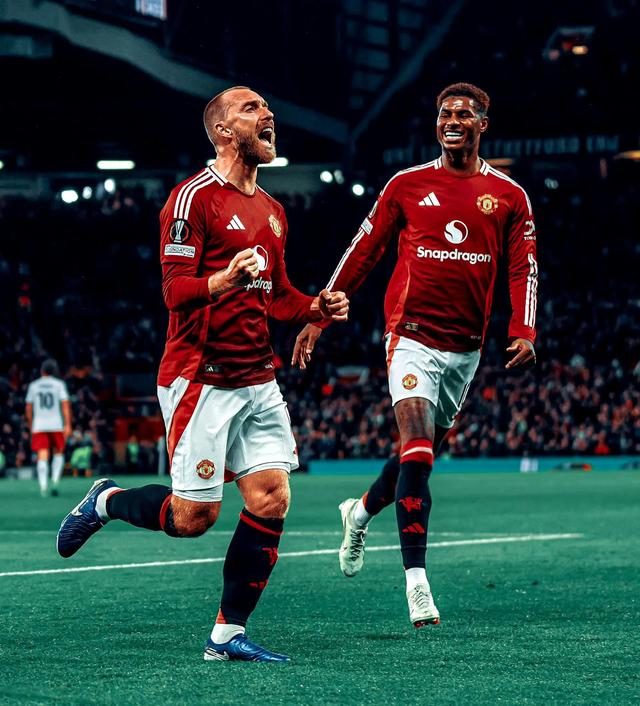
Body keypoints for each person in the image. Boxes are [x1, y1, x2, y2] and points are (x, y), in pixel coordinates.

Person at [57, 86, 349, 662]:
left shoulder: (274, 212)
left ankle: (226, 634)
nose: (268, 114)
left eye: (267, 107)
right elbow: (174, 291)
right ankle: (106, 500)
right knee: (194, 519)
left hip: (258, 378)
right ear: (222, 131)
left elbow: (278, 296)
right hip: (201, 376)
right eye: (251, 108)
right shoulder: (192, 199)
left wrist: (315, 307)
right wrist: (223, 280)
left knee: (271, 498)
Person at [292, 83, 538, 628]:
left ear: (482, 125)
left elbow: (524, 266)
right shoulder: (406, 185)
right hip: (410, 336)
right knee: (419, 453)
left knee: (415, 456)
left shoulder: (509, 196)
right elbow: (363, 249)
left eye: (463, 114)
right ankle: (417, 584)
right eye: (445, 113)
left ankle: (358, 513)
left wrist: (524, 329)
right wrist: (319, 313)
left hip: (465, 349)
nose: (452, 121)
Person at [25, 359, 72, 497]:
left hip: (39, 425)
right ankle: (55, 482)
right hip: (56, 424)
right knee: (58, 453)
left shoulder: (34, 385)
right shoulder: (59, 384)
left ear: (42, 370)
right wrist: (68, 424)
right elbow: (65, 405)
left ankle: (43, 486)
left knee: (42, 455)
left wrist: (31, 424)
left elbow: (28, 408)